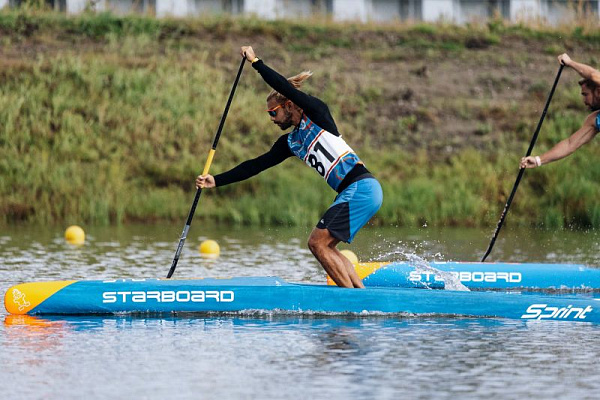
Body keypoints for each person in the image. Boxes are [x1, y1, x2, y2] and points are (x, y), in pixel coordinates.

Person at [196, 46, 383, 288]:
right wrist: (217, 180)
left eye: (273, 112)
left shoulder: (317, 114)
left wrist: (255, 62)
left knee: (316, 243)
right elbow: (256, 165)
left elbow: (283, 86)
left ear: (289, 105)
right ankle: (361, 295)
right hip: (354, 192)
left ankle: (351, 301)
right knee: (326, 246)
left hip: (361, 188)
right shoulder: (291, 142)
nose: (271, 119)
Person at [521, 54, 600, 169]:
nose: (584, 101)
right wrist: (538, 160)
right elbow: (570, 144)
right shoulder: (595, 120)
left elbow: (594, 75)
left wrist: (570, 63)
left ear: (598, 91)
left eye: (586, 95)